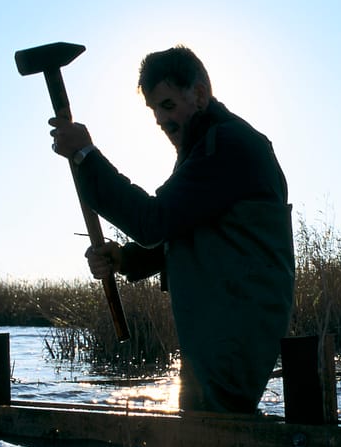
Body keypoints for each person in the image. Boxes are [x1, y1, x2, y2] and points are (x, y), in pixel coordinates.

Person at [48, 45, 294, 414]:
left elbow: (154, 220)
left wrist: (86, 156)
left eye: (167, 105)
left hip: (235, 326)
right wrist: (125, 257)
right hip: (220, 323)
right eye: (153, 111)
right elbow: (184, 231)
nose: (161, 120)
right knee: (207, 429)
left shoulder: (226, 145)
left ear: (199, 94)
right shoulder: (207, 148)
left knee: (214, 430)